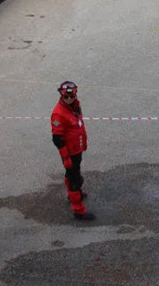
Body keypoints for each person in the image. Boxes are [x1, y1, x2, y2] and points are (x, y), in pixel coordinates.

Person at [51, 81, 94, 221]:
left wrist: (84, 143)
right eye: (66, 97)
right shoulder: (58, 114)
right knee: (74, 179)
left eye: (71, 95)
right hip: (70, 152)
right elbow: (57, 138)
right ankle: (78, 211)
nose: (69, 98)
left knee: (73, 173)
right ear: (61, 96)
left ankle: (73, 195)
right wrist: (65, 157)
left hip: (77, 149)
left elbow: (79, 126)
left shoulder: (75, 106)